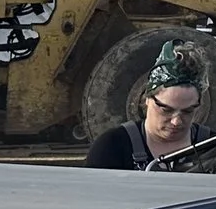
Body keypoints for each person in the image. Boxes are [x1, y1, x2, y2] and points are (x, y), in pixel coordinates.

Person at [85, 38, 209, 170]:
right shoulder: (112, 147)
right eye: (166, 110)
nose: (176, 122)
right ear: (147, 99)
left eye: (187, 111)